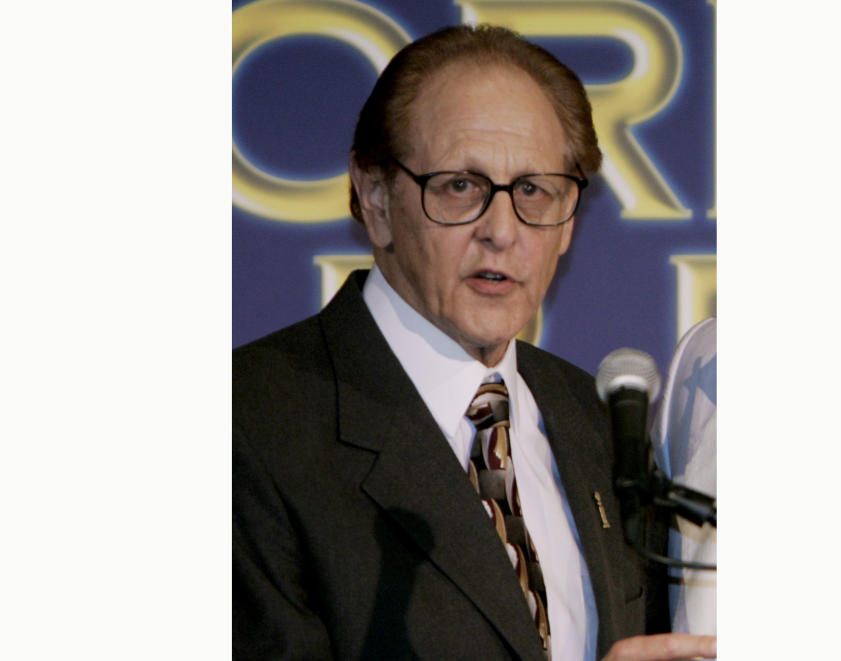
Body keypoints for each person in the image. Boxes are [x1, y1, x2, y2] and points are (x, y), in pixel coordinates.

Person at [233, 24, 717, 661]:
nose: (502, 231)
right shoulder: (249, 422)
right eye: (461, 185)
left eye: (534, 191)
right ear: (375, 198)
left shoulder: (595, 420)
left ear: (569, 221)